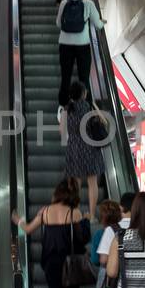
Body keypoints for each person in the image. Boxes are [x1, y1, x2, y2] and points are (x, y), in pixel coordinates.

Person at [14, 178, 91, 288]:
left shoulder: (45, 211)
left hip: (51, 264)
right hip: (70, 265)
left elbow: (27, 230)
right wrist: (86, 220)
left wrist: (17, 219)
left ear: (58, 193)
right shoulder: (75, 213)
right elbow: (83, 239)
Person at [55, 0, 105, 107]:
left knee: (65, 75)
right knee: (84, 77)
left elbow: (58, 23)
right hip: (82, 45)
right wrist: (102, 22)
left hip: (65, 44)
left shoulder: (63, 3)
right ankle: (85, 104)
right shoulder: (88, 3)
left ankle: (64, 104)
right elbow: (98, 24)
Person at [61, 79, 104, 213]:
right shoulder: (89, 107)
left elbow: (62, 132)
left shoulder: (66, 110)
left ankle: (76, 213)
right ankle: (91, 215)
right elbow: (103, 120)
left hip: (74, 147)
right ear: (83, 94)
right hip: (90, 147)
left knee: (76, 184)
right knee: (92, 183)